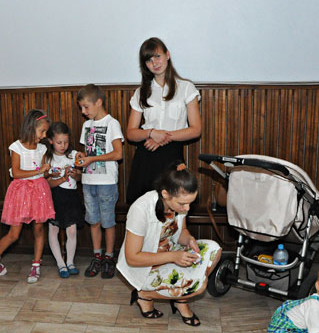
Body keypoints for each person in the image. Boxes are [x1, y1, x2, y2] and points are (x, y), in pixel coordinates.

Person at [117, 163, 221, 326]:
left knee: (214, 249)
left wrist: (189, 239)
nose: (187, 208)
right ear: (165, 194)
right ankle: (144, 295)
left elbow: (181, 232)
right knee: (199, 287)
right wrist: (173, 257)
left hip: (171, 253)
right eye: (183, 204)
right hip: (145, 267)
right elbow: (132, 258)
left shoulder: (179, 204)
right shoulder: (141, 209)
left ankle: (180, 299)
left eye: (190, 203)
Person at [126, 37, 201, 204]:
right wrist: (152, 133)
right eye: (149, 60)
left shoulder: (186, 88)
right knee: (143, 207)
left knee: (173, 206)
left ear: (167, 55)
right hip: (146, 153)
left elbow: (196, 130)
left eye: (158, 56)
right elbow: (131, 133)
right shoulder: (141, 92)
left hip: (172, 155)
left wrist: (163, 138)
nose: (154, 63)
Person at [0, 109, 55, 283]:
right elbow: (16, 173)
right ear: (31, 127)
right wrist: (39, 171)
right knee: (14, 234)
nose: (44, 135)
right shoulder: (16, 147)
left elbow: (42, 173)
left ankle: (36, 265)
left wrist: (50, 172)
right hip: (21, 192)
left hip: (39, 192)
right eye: (42, 131)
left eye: (46, 132)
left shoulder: (42, 148)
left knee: (39, 229)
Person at [77, 84, 124, 279]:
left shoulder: (112, 123)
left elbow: (118, 154)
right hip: (88, 180)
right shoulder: (86, 125)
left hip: (106, 182)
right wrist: (81, 157)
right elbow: (86, 152)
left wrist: (93, 159)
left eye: (86, 107)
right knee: (93, 221)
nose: (83, 111)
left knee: (108, 222)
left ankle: (109, 257)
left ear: (98, 102)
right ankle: (97, 256)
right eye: (81, 107)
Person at [44, 122, 84, 278]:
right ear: (51, 141)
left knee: (72, 230)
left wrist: (75, 175)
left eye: (66, 142)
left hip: (71, 196)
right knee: (53, 229)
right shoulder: (48, 157)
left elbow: (79, 177)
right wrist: (62, 178)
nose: (63, 146)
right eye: (59, 142)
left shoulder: (73, 155)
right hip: (55, 196)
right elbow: (48, 183)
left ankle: (70, 262)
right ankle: (60, 263)